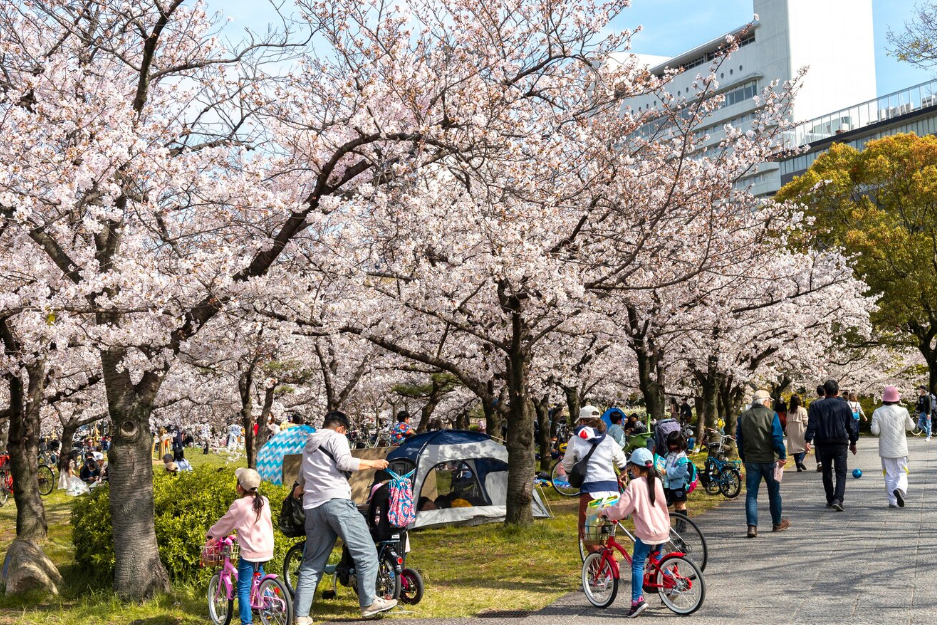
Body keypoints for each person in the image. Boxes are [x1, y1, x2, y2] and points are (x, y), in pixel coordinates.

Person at [291, 410, 397, 624]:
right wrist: (374, 463)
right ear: (341, 428)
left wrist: (301, 490)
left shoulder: (309, 446)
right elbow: (344, 462)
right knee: (366, 550)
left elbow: (301, 480)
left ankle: (301, 615)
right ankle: (368, 603)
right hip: (337, 502)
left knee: (312, 563)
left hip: (313, 508)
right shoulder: (336, 437)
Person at [597, 448, 670, 618]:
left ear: (636, 469)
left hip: (647, 533)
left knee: (637, 564)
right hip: (662, 529)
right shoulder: (656, 481)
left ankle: (637, 601)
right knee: (657, 560)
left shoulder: (635, 484)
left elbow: (620, 510)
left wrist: (606, 512)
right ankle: (668, 585)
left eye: (631, 468)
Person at [207, 468, 273, 625]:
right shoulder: (264, 500)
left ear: (239, 487)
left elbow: (225, 523)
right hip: (266, 550)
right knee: (259, 576)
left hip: (250, 553)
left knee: (243, 589)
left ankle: (247, 622)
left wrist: (211, 535)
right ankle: (268, 603)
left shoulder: (239, 504)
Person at [561, 405, 628, 553]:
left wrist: (572, 472)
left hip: (591, 493)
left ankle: (600, 571)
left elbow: (567, 464)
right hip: (612, 493)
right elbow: (622, 461)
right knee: (604, 536)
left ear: (583, 421)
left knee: (589, 538)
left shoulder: (576, 439)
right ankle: (610, 567)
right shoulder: (608, 439)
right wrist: (623, 472)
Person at [737, 389, 789, 538]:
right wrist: (782, 455)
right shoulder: (771, 415)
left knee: (751, 495)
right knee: (774, 494)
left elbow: (740, 441)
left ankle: (752, 527)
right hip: (770, 460)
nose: (770, 403)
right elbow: (776, 438)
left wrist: (743, 458)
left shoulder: (743, 416)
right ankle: (776, 523)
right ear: (765, 401)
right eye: (769, 401)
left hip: (752, 460)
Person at [805, 379, 858, 511]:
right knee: (841, 472)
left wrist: (807, 440)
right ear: (837, 391)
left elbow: (812, 424)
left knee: (827, 472)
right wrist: (853, 442)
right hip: (840, 442)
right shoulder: (844, 405)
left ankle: (830, 498)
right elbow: (850, 425)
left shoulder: (817, 406)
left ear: (825, 391)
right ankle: (838, 499)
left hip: (823, 442)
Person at [870, 386, 915, 508]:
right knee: (902, 472)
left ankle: (892, 501)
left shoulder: (877, 412)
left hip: (885, 450)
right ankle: (900, 489)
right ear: (897, 398)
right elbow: (911, 427)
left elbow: (875, 431)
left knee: (889, 474)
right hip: (900, 448)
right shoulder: (903, 411)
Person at [660, 430, 691, 530]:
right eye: (670, 444)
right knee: (670, 504)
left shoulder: (682, 456)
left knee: (680, 504)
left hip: (678, 484)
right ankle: (670, 525)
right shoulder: (668, 454)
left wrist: (667, 471)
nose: (672, 447)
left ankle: (681, 526)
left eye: (674, 444)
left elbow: (681, 471)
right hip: (668, 484)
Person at [787, 394, 809, 472]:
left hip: (791, 430)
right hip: (800, 430)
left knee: (795, 449)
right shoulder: (802, 410)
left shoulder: (789, 410)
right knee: (804, 448)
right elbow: (806, 421)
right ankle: (800, 461)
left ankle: (798, 467)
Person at [810, 385, 826, 471]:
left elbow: (811, 418)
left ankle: (819, 463)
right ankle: (827, 462)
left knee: (817, 446)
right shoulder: (829, 402)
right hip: (827, 427)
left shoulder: (813, 403)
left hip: (817, 427)